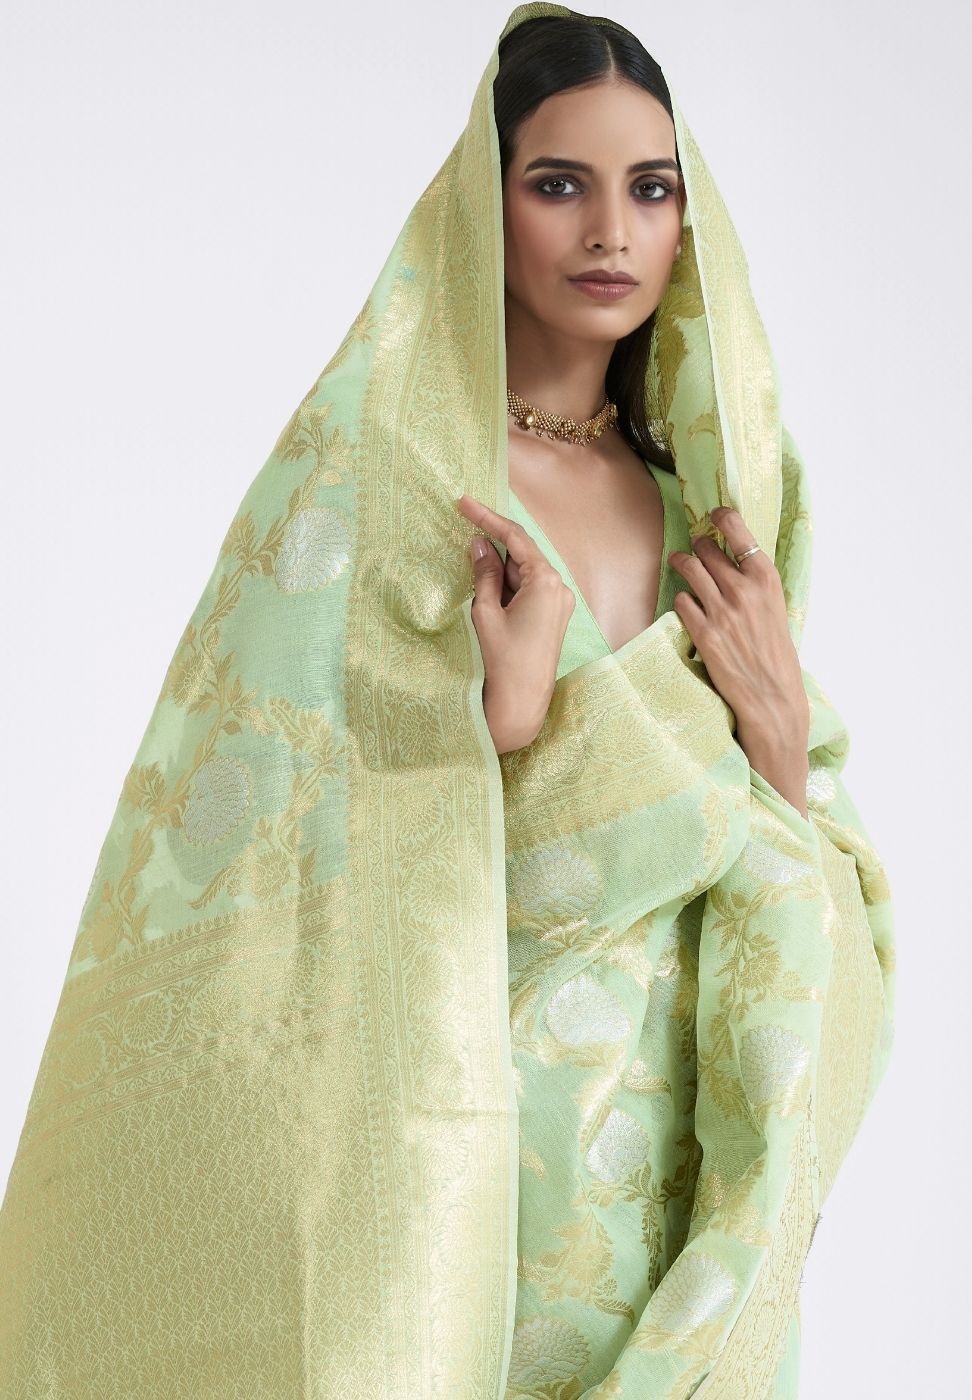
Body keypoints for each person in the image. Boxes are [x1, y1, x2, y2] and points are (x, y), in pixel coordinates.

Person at [0, 5, 895, 1397]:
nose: (612, 230)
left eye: (652, 189)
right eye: (560, 184)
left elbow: (794, 872)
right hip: (467, 1158)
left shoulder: (720, 517)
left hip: (681, 1177)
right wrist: (500, 729)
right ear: (486, 207)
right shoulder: (392, 489)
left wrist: (779, 738)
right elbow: (286, 857)